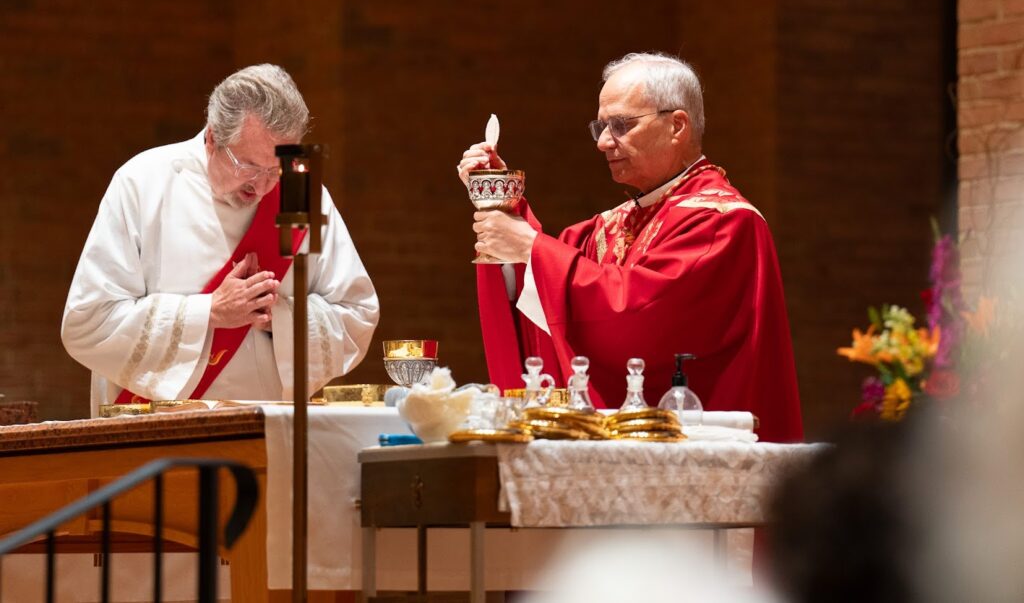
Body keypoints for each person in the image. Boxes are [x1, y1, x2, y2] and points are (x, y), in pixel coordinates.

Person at [458, 52, 802, 442]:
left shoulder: (723, 221)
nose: (604, 142)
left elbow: (641, 317)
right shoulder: (614, 224)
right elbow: (544, 280)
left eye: (621, 125)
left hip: (697, 451)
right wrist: (503, 206)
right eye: (601, 126)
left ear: (677, 126)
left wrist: (530, 247)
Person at [62, 64, 379, 413]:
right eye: (249, 166)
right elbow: (88, 324)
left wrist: (279, 317)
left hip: (267, 430)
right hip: (157, 432)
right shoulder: (143, 183)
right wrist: (208, 313)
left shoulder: (301, 196)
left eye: (276, 171)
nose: (261, 187)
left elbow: (356, 314)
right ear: (213, 138)